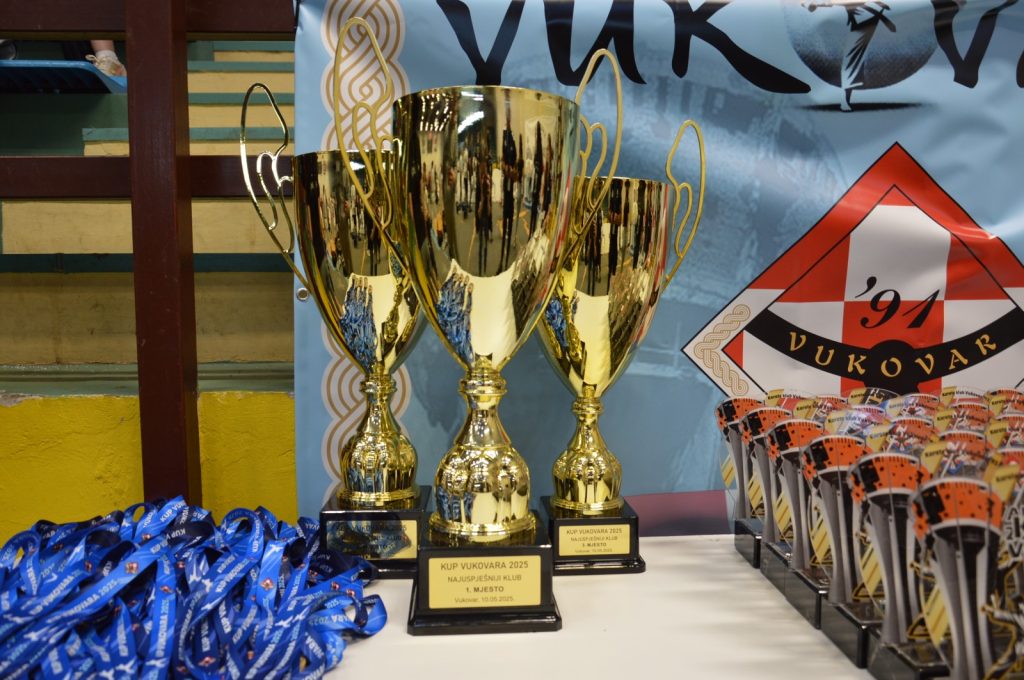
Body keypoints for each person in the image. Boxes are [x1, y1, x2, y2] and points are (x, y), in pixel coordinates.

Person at [803, 1, 894, 111]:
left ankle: (848, 99)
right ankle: (845, 100)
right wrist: (813, 5)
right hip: (858, 33)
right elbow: (833, 4)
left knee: (855, 67)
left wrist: (883, 12)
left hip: (865, 30)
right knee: (850, 67)